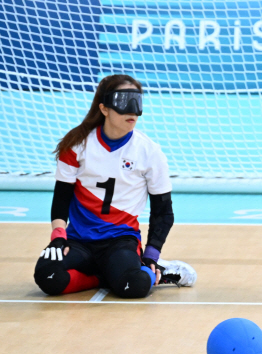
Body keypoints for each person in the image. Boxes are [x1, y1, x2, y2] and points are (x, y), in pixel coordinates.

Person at [34, 74, 196, 299]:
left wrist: (151, 257)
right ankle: (104, 277)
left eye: (136, 102)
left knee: (135, 286)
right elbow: (61, 198)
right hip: (79, 240)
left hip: (120, 241)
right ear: (104, 108)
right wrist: (58, 237)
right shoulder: (77, 145)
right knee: (47, 276)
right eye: (123, 101)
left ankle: (161, 272)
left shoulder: (149, 152)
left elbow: (163, 212)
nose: (132, 110)